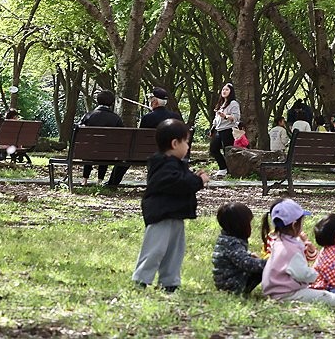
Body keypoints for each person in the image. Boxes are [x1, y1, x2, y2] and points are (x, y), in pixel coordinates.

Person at [132, 119, 209, 292]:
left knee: (175, 251)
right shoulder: (163, 164)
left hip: (175, 214)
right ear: (175, 143)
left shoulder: (173, 164)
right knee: (155, 249)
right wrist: (199, 180)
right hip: (162, 214)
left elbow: (181, 180)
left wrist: (193, 178)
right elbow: (177, 183)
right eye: (186, 142)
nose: (188, 147)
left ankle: (170, 282)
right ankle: (141, 279)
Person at [262, 200, 335, 305]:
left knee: (320, 293)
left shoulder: (280, 243)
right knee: (323, 296)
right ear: (295, 225)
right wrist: (315, 275)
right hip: (287, 294)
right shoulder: (289, 249)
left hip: (278, 291)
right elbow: (301, 273)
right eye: (301, 222)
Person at [112, 87, 183, 188]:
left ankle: (112, 184)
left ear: (154, 102)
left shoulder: (148, 118)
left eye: (150, 100)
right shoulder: (176, 117)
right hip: (172, 153)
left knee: (125, 159)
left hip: (147, 154)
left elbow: (141, 139)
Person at [212, 201, 265, 295]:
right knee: (263, 268)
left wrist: (249, 255)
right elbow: (247, 264)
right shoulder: (232, 243)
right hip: (232, 285)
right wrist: (270, 263)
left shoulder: (226, 239)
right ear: (240, 225)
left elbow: (235, 257)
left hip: (225, 281)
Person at [80, 90, 124, 186]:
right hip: (108, 153)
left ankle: (85, 179)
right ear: (112, 103)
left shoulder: (88, 116)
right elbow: (121, 137)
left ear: (98, 101)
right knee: (105, 149)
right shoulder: (116, 118)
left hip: (88, 152)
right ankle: (100, 181)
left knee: (91, 148)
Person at [210, 83, 240, 177]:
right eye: (223, 89)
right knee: (213, 149)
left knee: (227, 151)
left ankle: (230, 171)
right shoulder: (220, 104)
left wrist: (225, 116)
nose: (224, 91)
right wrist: (212, 128)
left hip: (228, 129)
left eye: (227, 90)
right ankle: (223, 168)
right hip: (219, 130)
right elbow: (216, 118)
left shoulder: (233, 103)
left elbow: (236, 117)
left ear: (231, 92)